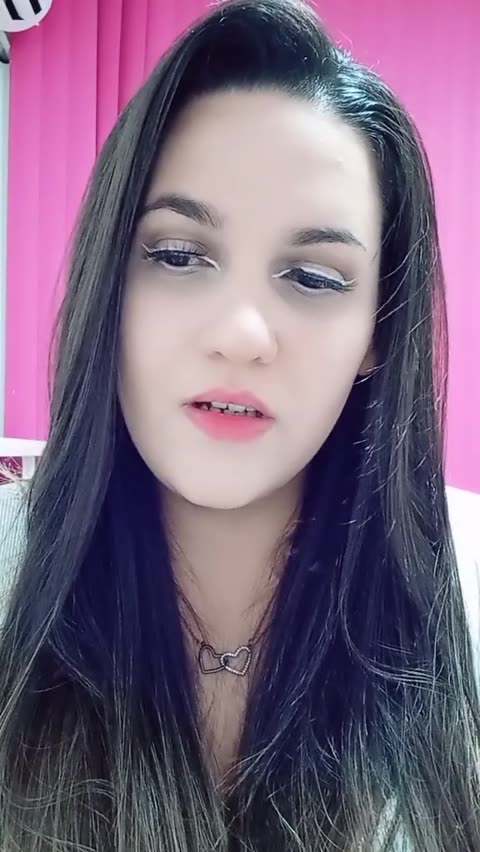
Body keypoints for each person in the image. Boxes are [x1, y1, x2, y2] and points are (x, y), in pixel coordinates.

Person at [0, 0, 478, 848]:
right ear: (112, 281)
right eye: (179, 256)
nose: (241, 334)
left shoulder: (464, 604)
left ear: (377, 332)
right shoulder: (12, 582)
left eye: (315, 277)